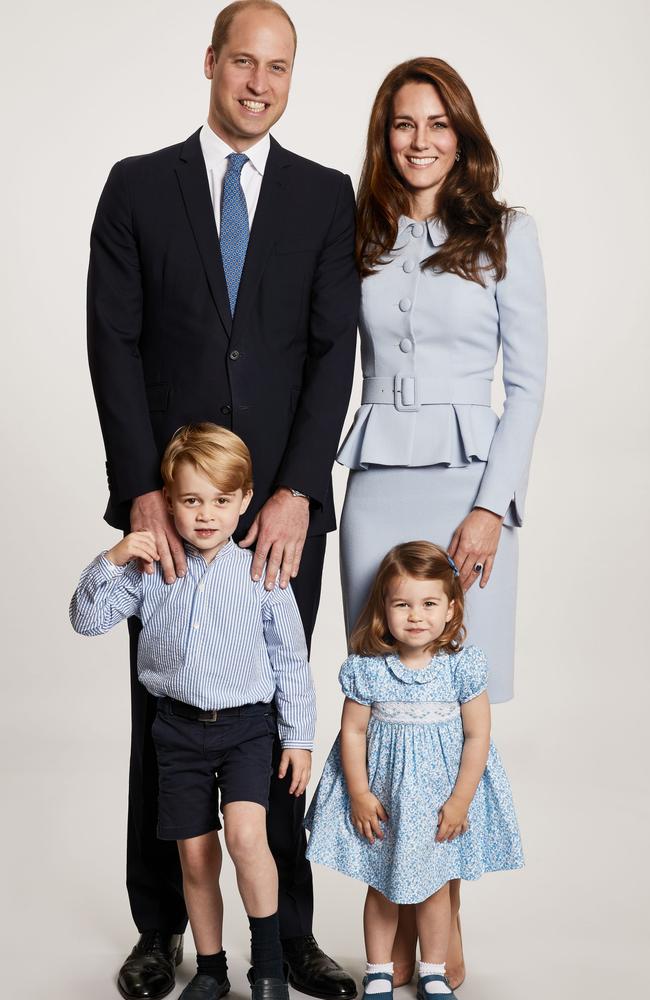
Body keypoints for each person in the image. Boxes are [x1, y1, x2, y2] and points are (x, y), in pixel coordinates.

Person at [86, 2, 359, 997]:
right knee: (163, 715)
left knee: (275, 718)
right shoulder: (136, 188)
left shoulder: (325, 198)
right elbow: (110, 342)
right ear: (210, 62)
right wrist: (140, 496)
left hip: (277, 517)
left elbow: (335, 352)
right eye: (242, 60)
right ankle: (161, 928)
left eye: (277, 66)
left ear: (291, 77)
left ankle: (283, 937)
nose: (257, 81)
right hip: (171, 508)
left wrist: (296, 489)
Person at [336, 57, 546, 987]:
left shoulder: (507, 233)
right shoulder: (360, 233)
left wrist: (491, 507)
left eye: (437, 124)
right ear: (385, 138)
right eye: (401, 125)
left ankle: (440, 949)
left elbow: (530, 382)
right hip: (377, 481)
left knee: (453, 709)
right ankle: (400, 955)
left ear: (462, 134)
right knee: (387, 714)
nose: (419, 141)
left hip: (469, 486)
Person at [71, 423, 317, 1000]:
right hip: (177, 730)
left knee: (248, 839)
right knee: (196, 854)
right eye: (190, 500)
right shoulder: (151, 570)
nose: (206, 515)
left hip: (247, 730)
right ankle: (211, 968)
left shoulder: (263, 573)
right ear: (169, 501)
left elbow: (291, 659)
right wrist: (114, 556)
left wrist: (299, 737)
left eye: (221, 501)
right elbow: (87, 620)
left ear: (244, 501)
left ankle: (271, 965)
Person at [305, 542, 523, 1000]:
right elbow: (352, 734)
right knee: (381, 886)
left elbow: (478, 737)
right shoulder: (367, 670)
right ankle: (380, 970)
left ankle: (433, 970)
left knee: (436, 888)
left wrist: (461, 799)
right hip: (386, 799)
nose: (416, 616)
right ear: (384, 609)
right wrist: (360, 794)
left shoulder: (461, 668)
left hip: (440, 802)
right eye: (402, 604)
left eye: (429, 604)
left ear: (451, 609)